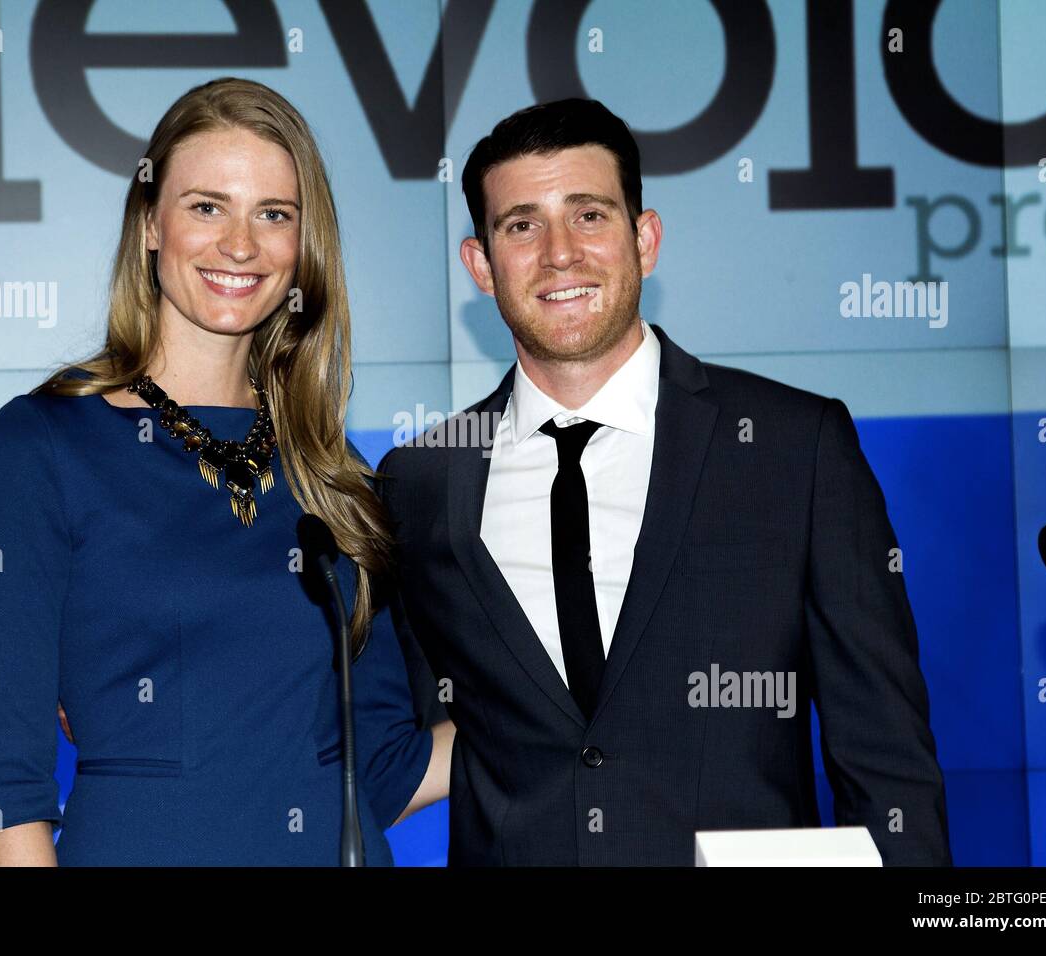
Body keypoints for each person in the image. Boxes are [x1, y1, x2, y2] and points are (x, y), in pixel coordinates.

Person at [378, 98, 951, 866]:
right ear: (480, 264)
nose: (559, 254)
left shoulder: (793, 448)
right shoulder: (419, 482)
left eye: (589, 216)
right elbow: (398, 733)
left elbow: (886, 760)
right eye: (522, 225)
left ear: (644, 239)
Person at [0, 77, 453, 866]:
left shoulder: (332, 468)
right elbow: (10, 798)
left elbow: (383, 768)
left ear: (303, 247)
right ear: (151, 225)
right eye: (207, 206)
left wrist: (567, 710)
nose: (241, 245)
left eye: (274, 214)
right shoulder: (42, 447)